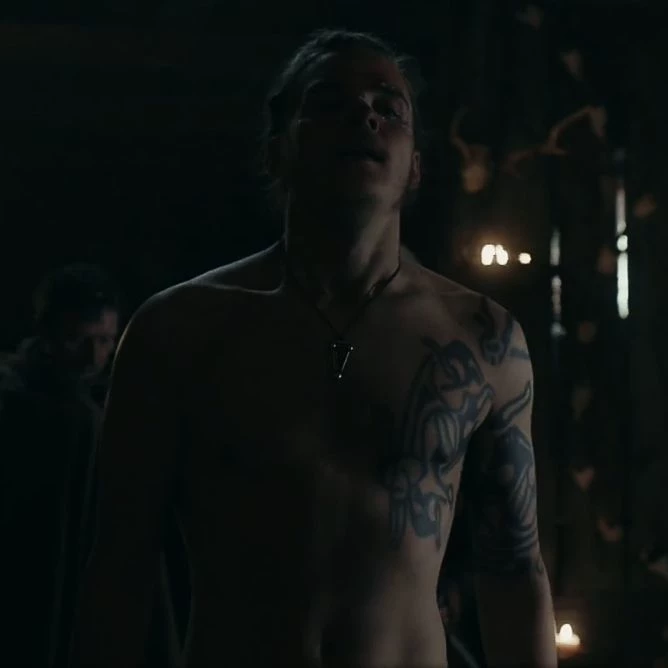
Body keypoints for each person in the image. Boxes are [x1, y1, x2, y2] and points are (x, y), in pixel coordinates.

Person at [73, 30, 557, 668]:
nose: (364, 116)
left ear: (415, 165)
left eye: (389, 107)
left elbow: (514, 572)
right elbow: (118, 569)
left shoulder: (481, 338)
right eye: (329, 103)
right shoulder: (179, 331)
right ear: (278, 150)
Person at [0, 263, 119, 667]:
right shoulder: (15, 399)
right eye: (77, 339)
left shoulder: (106, 407)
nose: (93, 356)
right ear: (48, 332)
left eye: (104, 341)